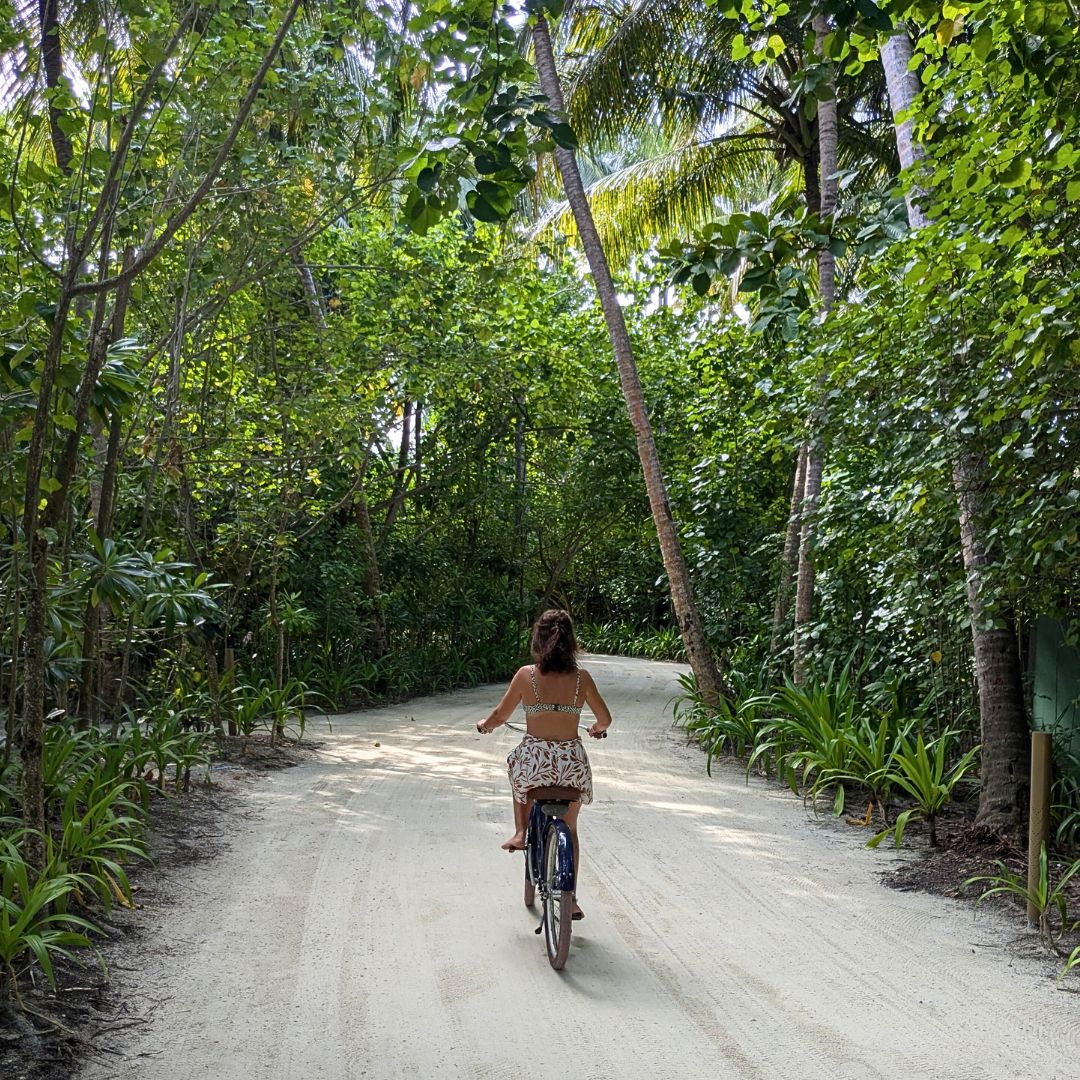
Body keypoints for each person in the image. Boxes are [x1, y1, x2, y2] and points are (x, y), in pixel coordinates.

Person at [477, 609, 612, 920]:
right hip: (571, 765)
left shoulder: (527, 675)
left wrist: (485, 726)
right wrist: (596, 729)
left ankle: (521, 831)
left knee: (515, 766)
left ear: (538, 640)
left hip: (536, 761)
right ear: (572, 643)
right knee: (572, 828)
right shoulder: (582, 679)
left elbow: (500, 714)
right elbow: (604, 719)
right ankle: (571, 897)